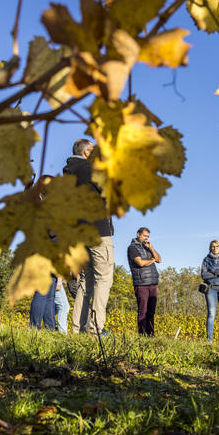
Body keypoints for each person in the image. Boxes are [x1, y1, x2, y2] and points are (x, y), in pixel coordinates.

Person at [64, 138, 115, 336]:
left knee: (86, 282)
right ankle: (95, 328)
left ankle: (78, 329)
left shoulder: (69, 172)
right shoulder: (90, 169)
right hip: (98, 230)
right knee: (103, 278)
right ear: (87, 153)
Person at [127, 227, 161, 336]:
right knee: (143, 312)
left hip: (152, 282)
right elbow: (140, 263)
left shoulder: (147, 248)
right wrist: (152, 260)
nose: (146, 238)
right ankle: (142, 336)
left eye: (148, 236)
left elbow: (159, 259)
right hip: (141, 283)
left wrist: (151, 248)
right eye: (144, 236)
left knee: (151, 312)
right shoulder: (132, 248)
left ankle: (151, 335)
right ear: (138, 234)